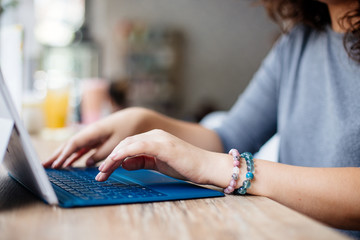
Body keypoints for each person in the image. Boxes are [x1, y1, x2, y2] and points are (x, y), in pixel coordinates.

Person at [44, 0, 360, 238]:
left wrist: (229, 170)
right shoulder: (300, 42)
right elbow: (230, 136)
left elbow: (221, 158)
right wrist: (142, 122)